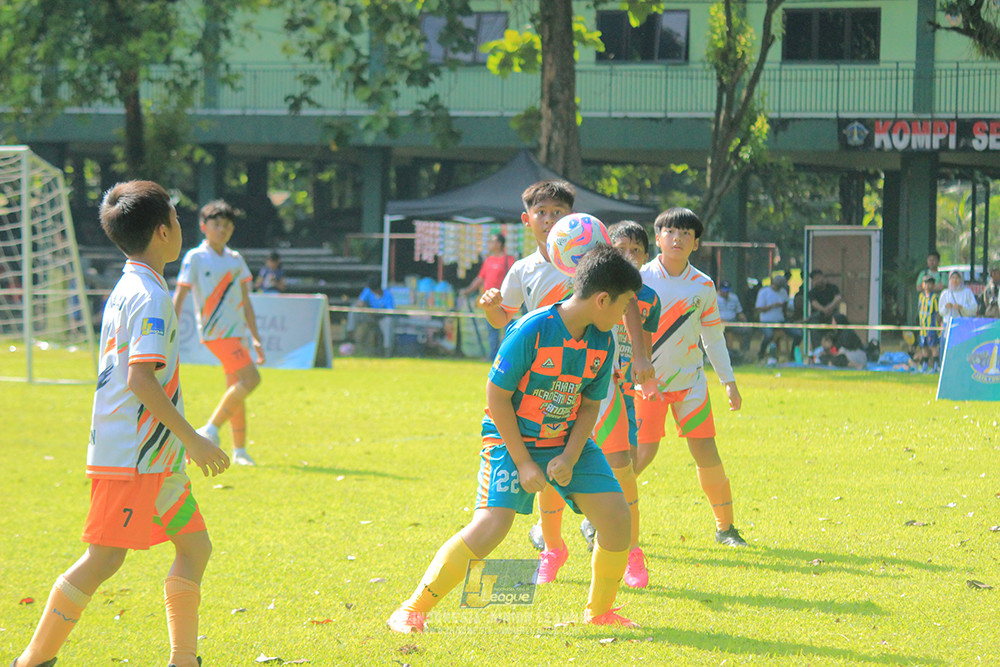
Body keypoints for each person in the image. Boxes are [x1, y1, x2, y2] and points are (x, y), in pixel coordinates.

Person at [12, 181, 230, 667]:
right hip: (134, 457)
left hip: (154, 458)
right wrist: (194, 439)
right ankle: (32, 660)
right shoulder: (150, 296)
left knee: (195, 548)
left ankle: (184, 660)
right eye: (175, 218)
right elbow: (140, 379)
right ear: (162, 231)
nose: (180, 226)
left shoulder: (129, 286)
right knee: (105, 558)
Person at [386, 245, 643, 634]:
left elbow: (590, 405)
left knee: (617, 518)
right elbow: (497, 395)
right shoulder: (531, 329)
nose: (625, 315)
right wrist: (523, 462)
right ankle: (411, 609)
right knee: (492, 526)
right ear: (602, 300)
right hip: (510, 440)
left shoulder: (603, 341)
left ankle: (600, 612)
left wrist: (570, 456)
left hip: (565, 438)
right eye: (624, 305)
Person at [478, 180, 653, 582]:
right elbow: (507, 323)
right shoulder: (523, 270)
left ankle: (631, 550)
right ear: (527, 220)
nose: (549, 219)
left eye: (558, 213)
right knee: (550, 471)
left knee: (620, 464)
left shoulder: (592, 258)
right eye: (542, 212)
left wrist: (641, 354)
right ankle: (553, 548)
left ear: (573, 219)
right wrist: (491, 309)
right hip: (545, 393)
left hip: (596, 383)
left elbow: (628, 302)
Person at [634, 207, 747, 547]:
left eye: (686, 233)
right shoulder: (638, 280)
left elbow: (712, 337)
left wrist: (728, 381)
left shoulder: (704, 285)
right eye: (670, 232)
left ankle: (726, 528)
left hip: (690, 384)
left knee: (707, 453)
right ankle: (598, 517)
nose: (677, 238)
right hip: (646, 384)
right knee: (641, 455)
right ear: (657, 238)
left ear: (696, 243)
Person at [588, 220, 661, 588]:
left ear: (646, 256)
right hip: (583, 384)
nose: (629, 256)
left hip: (623, 389)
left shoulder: (649, 298)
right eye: (622, 249)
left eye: (636, 250)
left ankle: (628, 547)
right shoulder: (589, 284)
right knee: (564, 463)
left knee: (626, 461)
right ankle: (554, 539)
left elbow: (644, 341)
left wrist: (644, 370)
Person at [173, 200, 265, 467]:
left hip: (238, 333)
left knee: (236, 389)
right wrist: (171, 328)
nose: (222, 229)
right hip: (216, 333)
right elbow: (181, 294)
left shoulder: (236, 259)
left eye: (227, 225)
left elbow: (246, 301)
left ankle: (240, 451)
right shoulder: (195, 257)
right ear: (204, 227)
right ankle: (210, 429)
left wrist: (255, 337)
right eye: (216, 224)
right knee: (251, 379)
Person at [459, 233, 515, 360]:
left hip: (505, 300)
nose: (489, 244)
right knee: (492, 329)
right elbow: (480, 278)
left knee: (509, 330)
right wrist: (468, 290)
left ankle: (508, 356)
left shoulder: (508, 260)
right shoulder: (489, 260)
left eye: (492, 241)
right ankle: (493, 356)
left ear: (499, 244)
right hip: (489, 301)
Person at [754, 274, 802, 362]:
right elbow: (759, 309)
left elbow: (785, 306)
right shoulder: (764, 292)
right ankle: (761, 354)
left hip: (781, 321)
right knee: (769, 335)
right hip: (766, 321)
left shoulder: (783, 292)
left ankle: (792, 355)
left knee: (798, 334)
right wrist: (773, 305)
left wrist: (787, 316)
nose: (778, 288)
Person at [347, 275, 396, 357]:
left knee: (388, 322)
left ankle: (387, 350)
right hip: (369, 316)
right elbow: (360, 302)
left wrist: (377, 313)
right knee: (354, 308)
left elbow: (390, 312)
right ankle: (350, 332)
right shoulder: (368, 291)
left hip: (382, 318)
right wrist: (363, 305)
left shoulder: (388, 295)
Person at [716, 279, 751, 361]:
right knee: (727, 332)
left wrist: (745, 321)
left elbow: (739, 312)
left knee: (747, 330)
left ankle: (743, 352)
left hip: (733, 322)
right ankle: (726, 353)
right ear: (719, 290)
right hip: (719, 324)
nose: (726, 293)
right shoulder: (714, 298)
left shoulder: (734, 297)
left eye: (728, 291)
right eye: (724, 291)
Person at [917, 275, 941, 371]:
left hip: (931, 326)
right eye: (925, 283)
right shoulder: (921, 296)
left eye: (930, 283)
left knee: (933, 346)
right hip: (923, 327)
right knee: (924, 347)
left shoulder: (934, 297)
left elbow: (937, 313)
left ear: (933, 285)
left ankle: (936, 366)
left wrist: (938, 326)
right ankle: (925, 365)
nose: (927, 285)